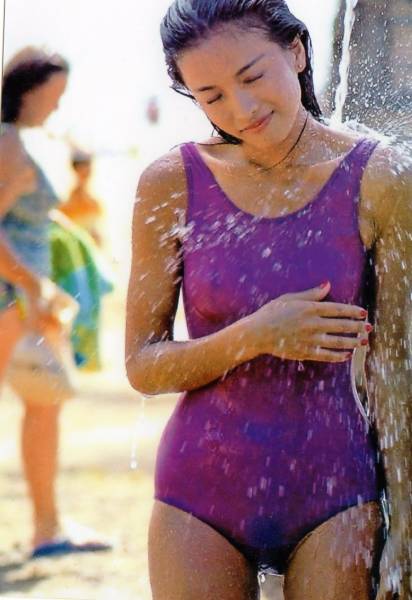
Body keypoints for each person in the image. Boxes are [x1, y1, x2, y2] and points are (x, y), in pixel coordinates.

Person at [126, 1, 411, 598]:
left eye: (253, 77)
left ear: (297, 51)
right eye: (211, 96)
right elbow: (143, 364)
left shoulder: (379, 178)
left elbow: (394, 372)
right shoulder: (171, 182)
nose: (242, 109)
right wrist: (255, 335)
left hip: (336, 492)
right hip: (198, 493)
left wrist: (406, 521)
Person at [0, 47, 111, 558]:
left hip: (19, 294)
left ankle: (48, 526)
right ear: (28, 90)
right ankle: (47, 530)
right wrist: (35, 286)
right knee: (44, 405)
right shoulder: (8, 143)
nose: (58, 105)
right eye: (54, 94)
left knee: (43, 404)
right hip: (15, 296)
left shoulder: (18, 140)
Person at [59, 149, 105, 247]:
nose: (87, 170)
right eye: (83, 166)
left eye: (88, 165)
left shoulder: (94, 200)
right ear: (76, 169)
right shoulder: (70, 201)